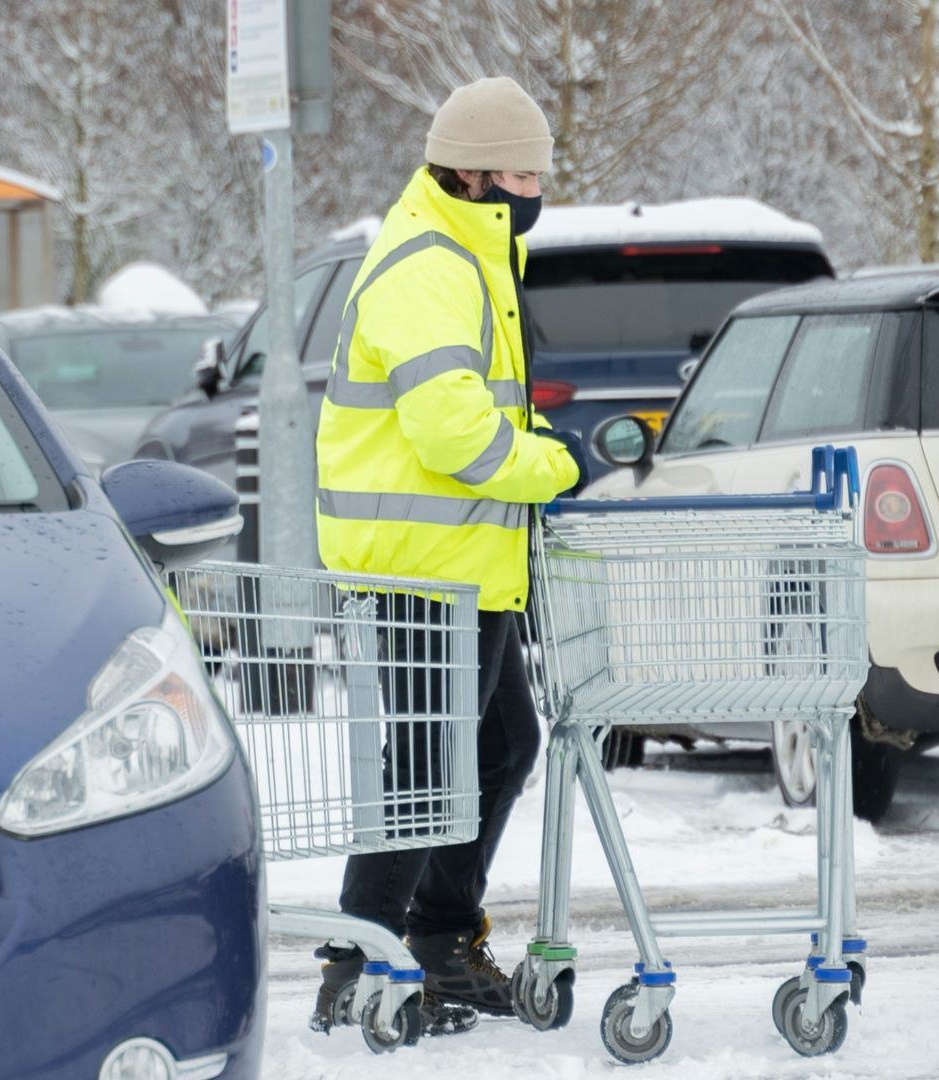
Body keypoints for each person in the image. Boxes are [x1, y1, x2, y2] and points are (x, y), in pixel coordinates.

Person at [310, 75, 586, 1035]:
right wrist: (552, 466)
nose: (533, 189)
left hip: (469, 563)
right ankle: (363, 957)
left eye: (540, 173)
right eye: (519, 172)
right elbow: (458, 438)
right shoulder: (428, 265)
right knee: (430, 765)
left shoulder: (474, 256)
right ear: (468, 173)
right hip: (419, 566)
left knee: (500, 744)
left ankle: (436, 938)